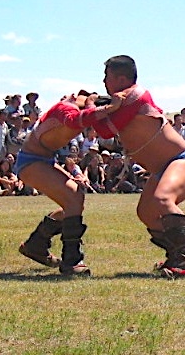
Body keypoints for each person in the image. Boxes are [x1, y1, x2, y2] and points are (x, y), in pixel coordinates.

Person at [91, 55, 185, 279]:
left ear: (122, 78)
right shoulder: (123, 101)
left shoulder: (136, 95)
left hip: (182, 160)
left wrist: (88, 105)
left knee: (163, 200)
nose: (104, 81)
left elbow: (104, 130)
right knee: (146, 213)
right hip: (162, 167)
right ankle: (175, 254)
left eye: (108, 77)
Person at [17, 90, 123, 276]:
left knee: (74, 202)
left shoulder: (73, 111)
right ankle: (71, 260)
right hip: (31, 161)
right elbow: (75, 120)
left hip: (43, 160)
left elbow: (69, 156)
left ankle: (36, 244)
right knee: (73, 199)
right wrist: (108, 108)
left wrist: (75, 172)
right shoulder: (66, 109)